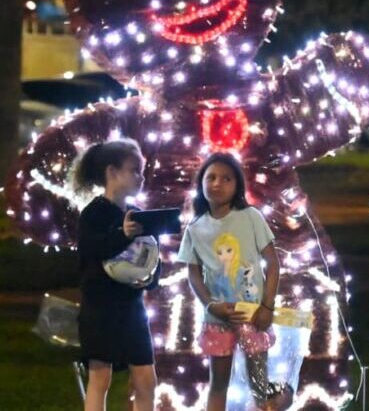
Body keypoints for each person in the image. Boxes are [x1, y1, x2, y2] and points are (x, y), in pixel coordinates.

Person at [177, 152, 291, 411]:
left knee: (259, 383)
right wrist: (210, 305)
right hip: (218, 320)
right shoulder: (195, 228)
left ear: (237, 185)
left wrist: (267, 307)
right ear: (201, 183)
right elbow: (193, 273)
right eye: (211, 177)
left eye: (226, 178)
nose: (217, 183)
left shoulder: (250, 217)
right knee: (218, 383)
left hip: (253, 316)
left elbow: (273, 264)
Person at [73, 139, 158, 411]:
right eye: (134, 170)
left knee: (146, 378)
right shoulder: (93, 214)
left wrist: (151, 278)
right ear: (112, 172)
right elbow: (93, 250)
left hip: (132, 308)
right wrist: (123, 234)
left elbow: (152, 257)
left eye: (142, 172)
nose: (140, 177)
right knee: (100, 377)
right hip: (100, 308)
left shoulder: (139, 216)